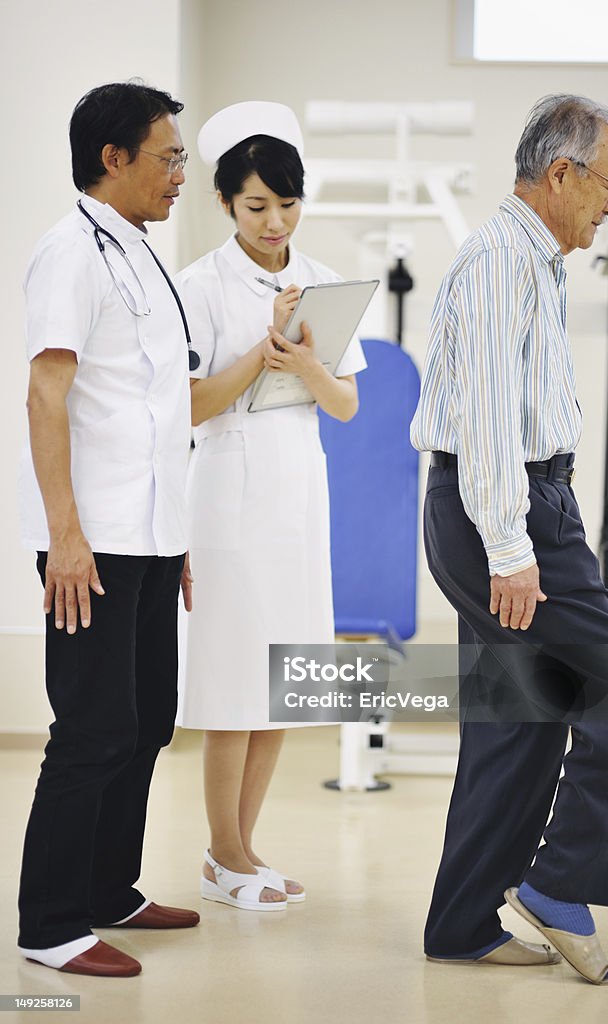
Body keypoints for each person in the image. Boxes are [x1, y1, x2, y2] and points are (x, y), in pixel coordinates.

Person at [410, 95, 608, 985]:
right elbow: (482, 421)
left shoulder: (534, 261)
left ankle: (461, 920)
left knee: (516, 720)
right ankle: (557, 886)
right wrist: (513, 549)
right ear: (560, 173)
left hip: (510, 504)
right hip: (502, 507)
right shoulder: (497, 264)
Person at [17, 81, 199, 978]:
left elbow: (156, 404)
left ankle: (107, 889)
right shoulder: (70, 252)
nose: (179, 174)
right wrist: (66, 535)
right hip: (94, 541)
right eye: (167, 157)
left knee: (148, 720)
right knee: (91, 728)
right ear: (113, 158)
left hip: (154, 533)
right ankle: (50, 924)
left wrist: (181, 534)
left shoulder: (137, 250)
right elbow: (46, 394)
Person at [175, 101, 366, 911]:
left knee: (283, 681)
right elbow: (188, 405)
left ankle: (245, 851)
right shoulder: (197, 286)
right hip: (224, 495)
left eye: (288, 204)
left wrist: (307, 363)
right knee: (230, 684)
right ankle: (221, 855)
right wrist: (262, 352)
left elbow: (346, 404)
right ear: (224, 204)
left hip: (296, 490)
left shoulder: (322, 279)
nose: (276, 221)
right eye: (257, 206)